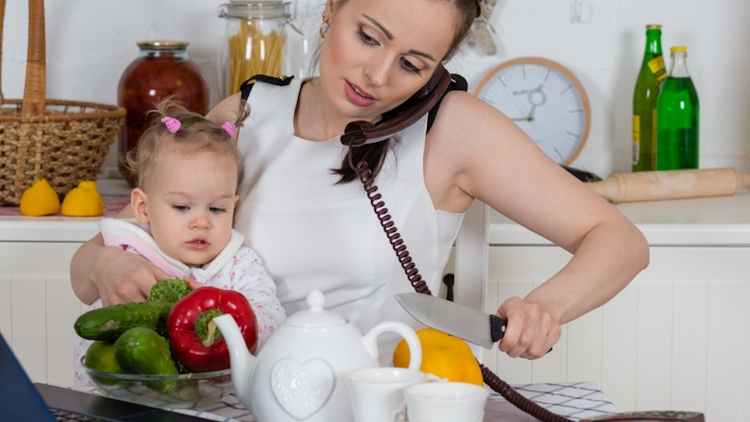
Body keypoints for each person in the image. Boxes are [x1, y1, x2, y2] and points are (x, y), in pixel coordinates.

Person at [71, 0, 648, 362]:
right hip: (231, 397)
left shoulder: (452, 128)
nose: (376, 76)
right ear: (329, 9)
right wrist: (107, 264)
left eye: (413, 63)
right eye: (368, 36)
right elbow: (99, 258)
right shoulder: (248, 112)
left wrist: (543, 306)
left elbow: (619, 240)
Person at [73, 101, 285, 385]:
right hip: (121, 400)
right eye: (182, 207)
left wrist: (223, 311)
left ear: (234, 207)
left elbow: (272, 321)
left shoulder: (238, 264)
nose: (202, 222)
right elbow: (100, 324)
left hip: (214, 405)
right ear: (142, 207)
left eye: (217, 209)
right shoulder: (127, 252)